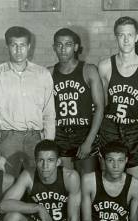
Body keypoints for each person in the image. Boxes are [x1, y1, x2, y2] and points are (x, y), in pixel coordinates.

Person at [0, 26, 55, 178]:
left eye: (22, 45)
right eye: (14, 45)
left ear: (29, 46)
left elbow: (49, 113)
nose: (18, 50)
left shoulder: (42, 74)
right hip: (8, 139)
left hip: (35, 138)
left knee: (37, 183)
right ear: (7, 46)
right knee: (7, 183)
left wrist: (48, 144)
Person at [98, 16, 138, 180]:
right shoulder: (104, 66)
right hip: (110, 129)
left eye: (130, 35)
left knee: (135, 185)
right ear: (116, 36)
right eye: (121, 35)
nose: (125, 40)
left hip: (135, 132)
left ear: (137, 38)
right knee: (107, 183)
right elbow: (101, 107)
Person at [49, 28, 104, 175]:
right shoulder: (49, 73)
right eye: (59, 45)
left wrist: (89, 141)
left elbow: (100, 107)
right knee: (67, 186)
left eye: (67, 44)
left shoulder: (89, 70)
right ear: (54, 47)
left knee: (88, 183)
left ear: (75, 47)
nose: (63, 49)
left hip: (84, 134)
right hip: (60, 135)